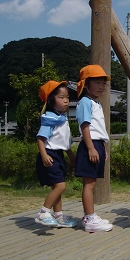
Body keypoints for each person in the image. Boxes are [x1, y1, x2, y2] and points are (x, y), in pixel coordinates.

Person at [75, 64, 113, 233]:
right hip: (89, 144)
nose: (101, 86)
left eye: (103, 83)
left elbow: (98, 129)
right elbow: (85, 126)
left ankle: (89, 215)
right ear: (86, 84)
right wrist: (90, 147)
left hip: (97, 144)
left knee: (93, 184)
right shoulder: (85, 102)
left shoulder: (95, 102)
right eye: (96, 82)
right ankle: (90, 218)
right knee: (89, 185)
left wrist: (101, 147)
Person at [35, 80, 77, 228]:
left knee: (56, 186)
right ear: (51, 100)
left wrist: (70, 155)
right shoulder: (50, 119)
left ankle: (58, 216)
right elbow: (40, 138)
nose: (66, 100)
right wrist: (44, 155)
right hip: (50, 155)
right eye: (61, 97)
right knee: (60, 186)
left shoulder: (61, 118)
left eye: (67, 97)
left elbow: (63, 141)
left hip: (58, 155)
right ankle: (44, 212)